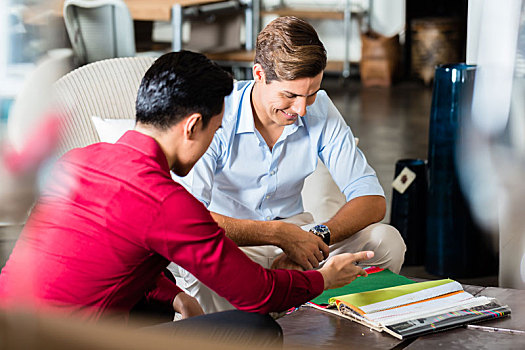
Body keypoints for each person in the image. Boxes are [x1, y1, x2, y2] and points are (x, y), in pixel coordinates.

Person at [0, 51, 373, 345]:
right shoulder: (166, 200)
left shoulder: (79, 159)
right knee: (255, 329)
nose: (214, 140)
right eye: (215, 129)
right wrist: (323, 279)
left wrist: (175, 295)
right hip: (63, 340)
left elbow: (105, 256)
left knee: (158, 301)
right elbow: (257, 293)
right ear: (193, 125)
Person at [170, 16, 406, 314]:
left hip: (302, 234)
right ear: (259, 74)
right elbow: (189, 219)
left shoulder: (318, 108)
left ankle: (318, 320)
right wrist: (279, 235)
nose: (302, 109)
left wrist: (313, 239)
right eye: (290, 95)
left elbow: (371, 200)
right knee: (200, 266)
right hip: (234, 245)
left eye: (311, 93)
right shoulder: (217, 112)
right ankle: (254, 326)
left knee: (387, 242)